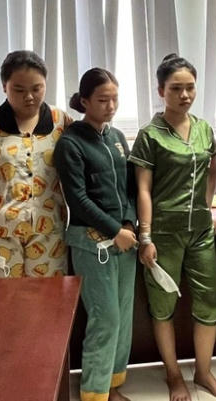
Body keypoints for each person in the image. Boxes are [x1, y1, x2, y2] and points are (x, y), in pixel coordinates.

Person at [130, 54, 216, 401]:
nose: (185, 95)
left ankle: (203, 372)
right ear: (161, 90)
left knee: (208, 303)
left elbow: (211, 171)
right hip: (163, 233)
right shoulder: (150, 135)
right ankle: (173, 375)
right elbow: (143, 189)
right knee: (162, 306)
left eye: (190, 87)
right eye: (176, 88)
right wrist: (145, 236)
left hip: (201, 231)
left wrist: (207, 206)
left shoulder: (204, 129)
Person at [54, 68, 137, 401]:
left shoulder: (116, 137)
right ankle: (94, 392)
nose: (110, 106)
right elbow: (77, 199)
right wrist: (115, 230)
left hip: (125, 241)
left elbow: (128, 187)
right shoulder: (70, 143)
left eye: (115, 99)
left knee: (123, 318)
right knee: (105, 319)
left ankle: (113, 385)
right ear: (85, 101)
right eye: (103, 100)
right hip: (92, 244)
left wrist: (128, 223)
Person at [0, 50, 71, 277]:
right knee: (6, 298)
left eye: (36, 88)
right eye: (19, 90)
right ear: (5, 87)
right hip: (0, 233)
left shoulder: (61, 122)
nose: (29, 97)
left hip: (49, 232)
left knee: (47, 296)